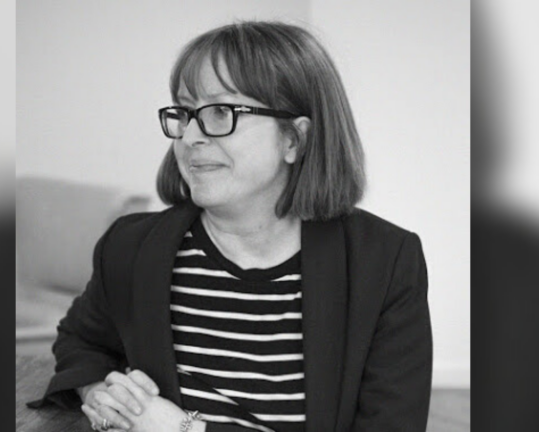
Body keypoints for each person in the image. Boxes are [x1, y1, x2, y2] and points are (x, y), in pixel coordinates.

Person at [28, 21, 432, 432]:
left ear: (294, 139)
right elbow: (81, 342)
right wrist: (101, 394)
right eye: (185, 112)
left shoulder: (384, 262)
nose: (190, 136)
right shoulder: (130, 245)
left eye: (221, 112)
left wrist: (184, 429)